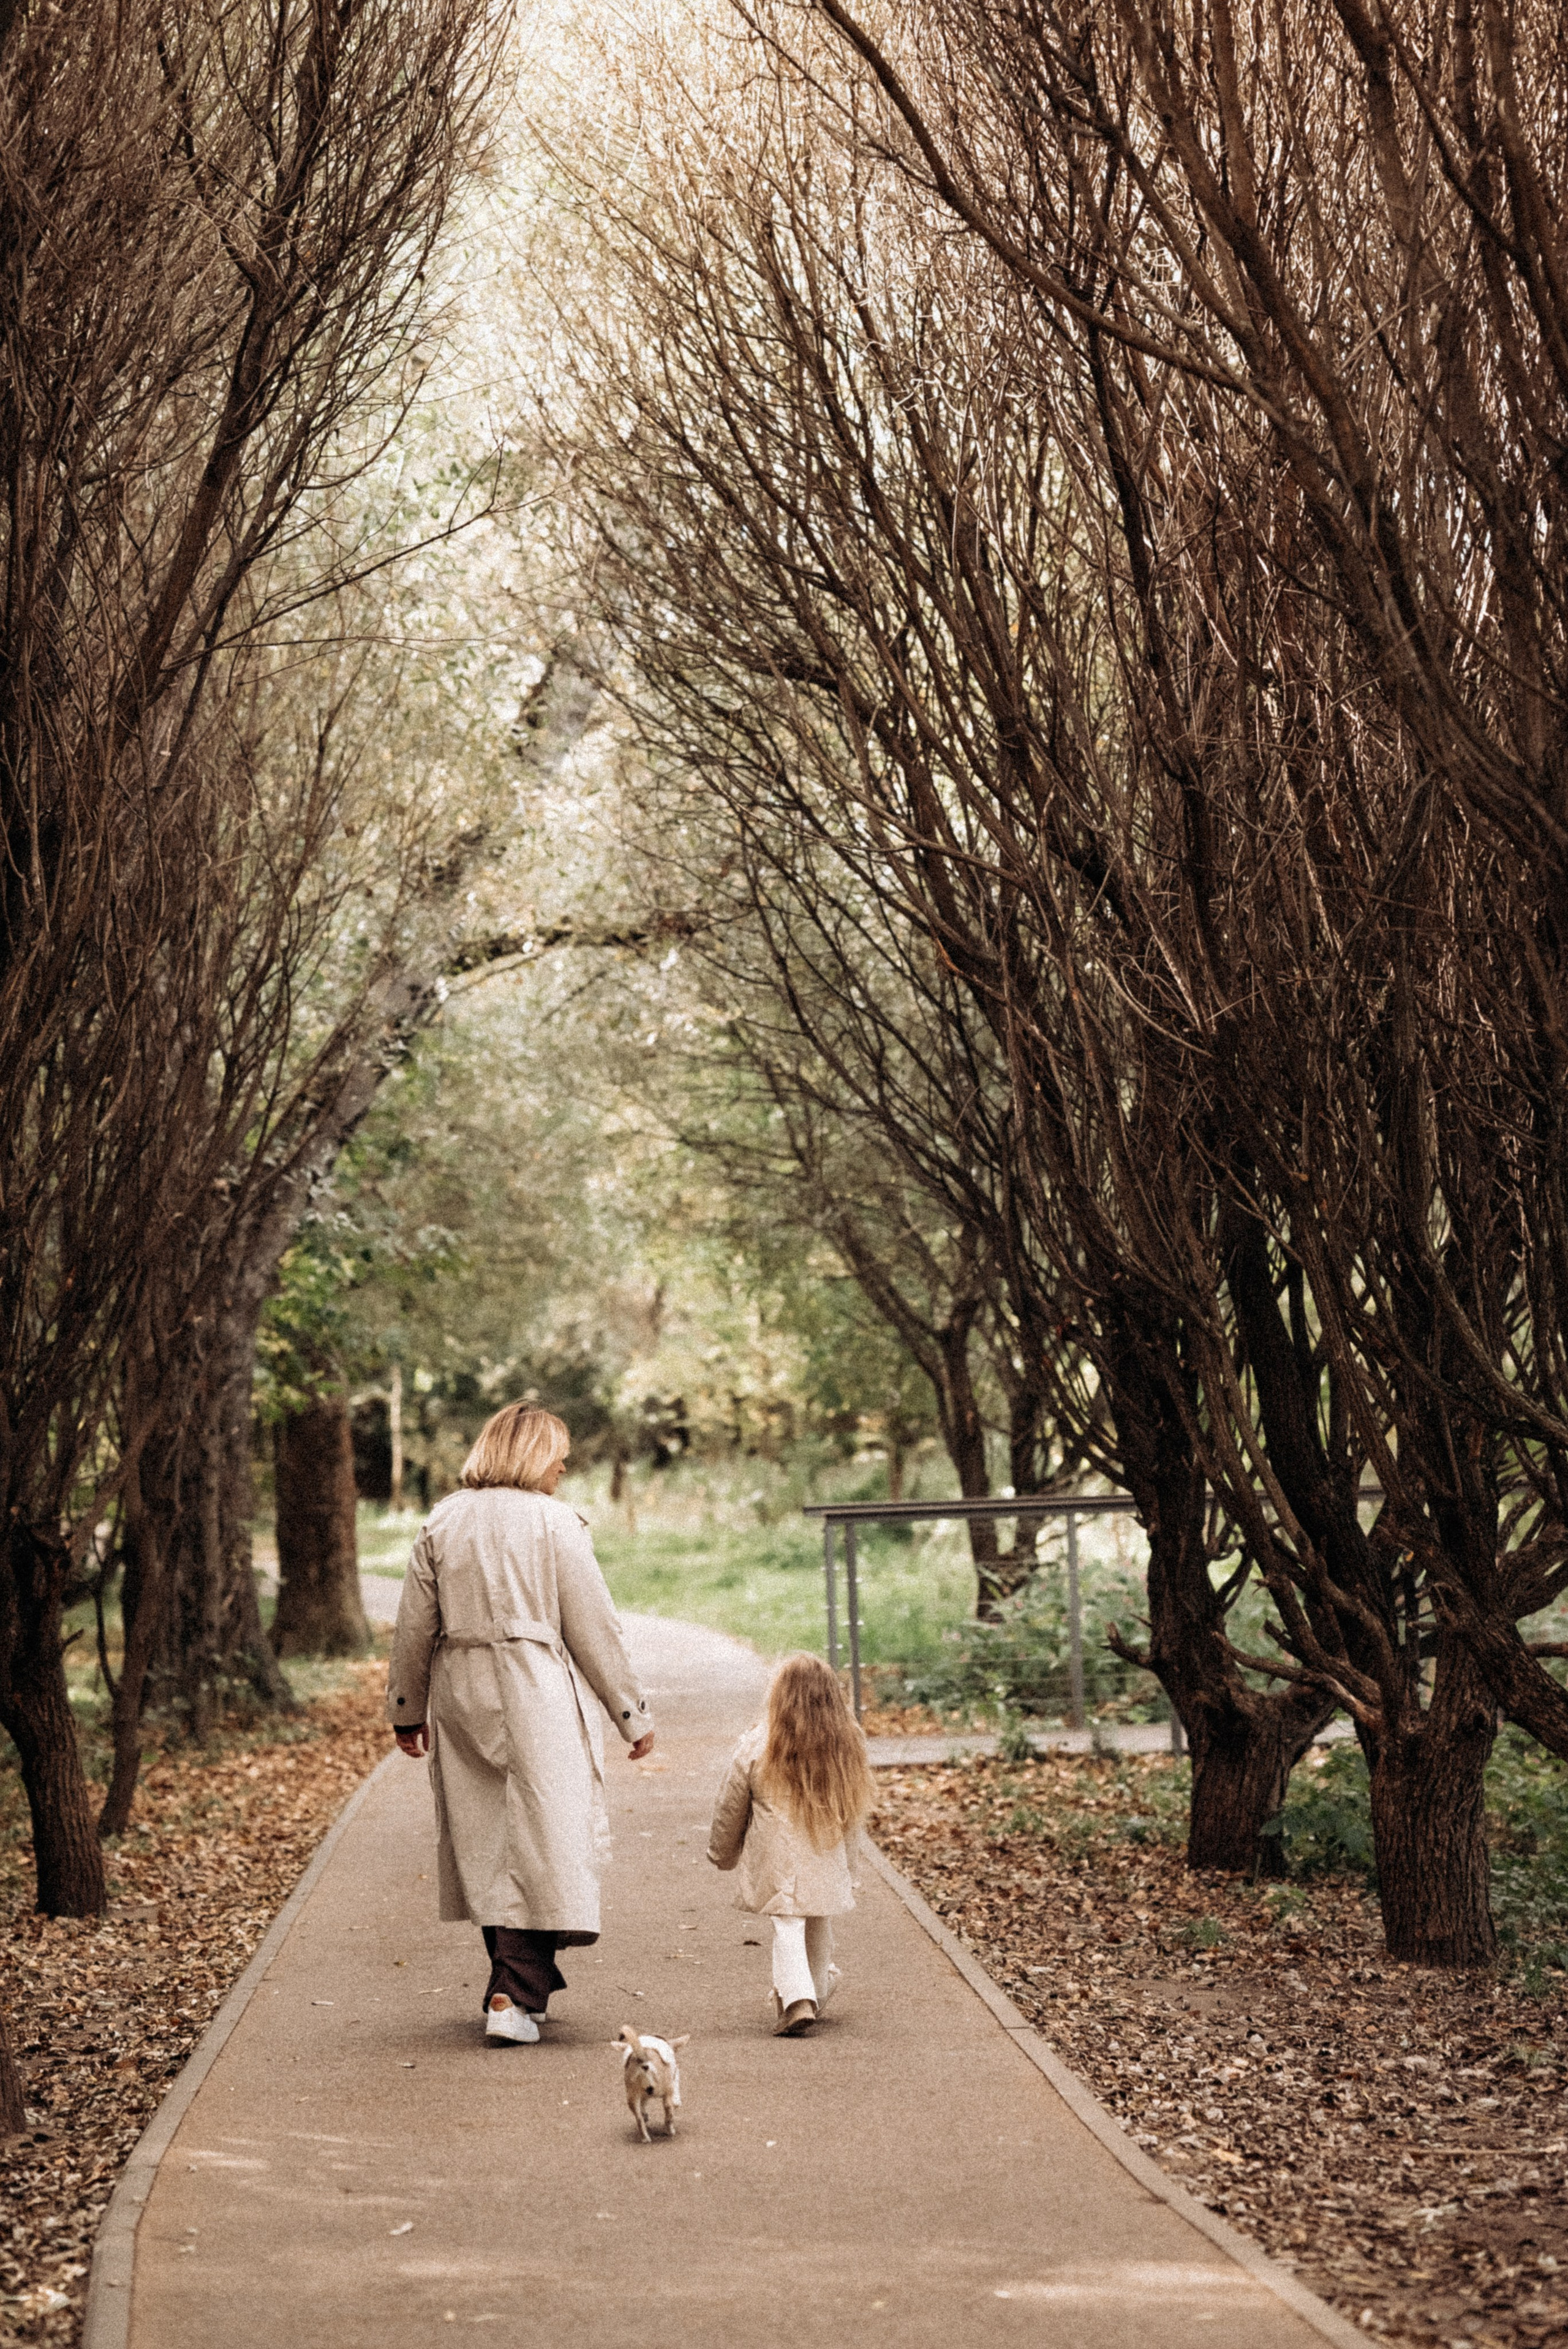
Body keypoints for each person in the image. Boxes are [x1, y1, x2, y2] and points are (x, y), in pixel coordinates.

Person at [386, 1403, 654, 2045]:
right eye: (558, 1452)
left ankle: (515, 1991)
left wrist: (407, 1708)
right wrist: (630, 1714)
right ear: (533, 1453)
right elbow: (593, 1625)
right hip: (534, 1685)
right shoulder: (553, 1522)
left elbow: (414, 1625)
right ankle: (512, 1995)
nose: (565, 1465)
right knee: (546, 1836)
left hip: (461, 1686)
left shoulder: (443, 1519)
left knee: (489, 1838)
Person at [706, 1650, 873, 2035]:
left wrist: (722, 1852)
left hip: (777, 1857)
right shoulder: (847, 1742)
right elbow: (854, 1813)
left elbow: (732, 1804)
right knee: (817, 1922)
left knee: (788, 1924)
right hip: (826, 1851)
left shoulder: (757, 1743)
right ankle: (816, 1988)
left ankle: (798, 2000)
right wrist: (851, 1868)